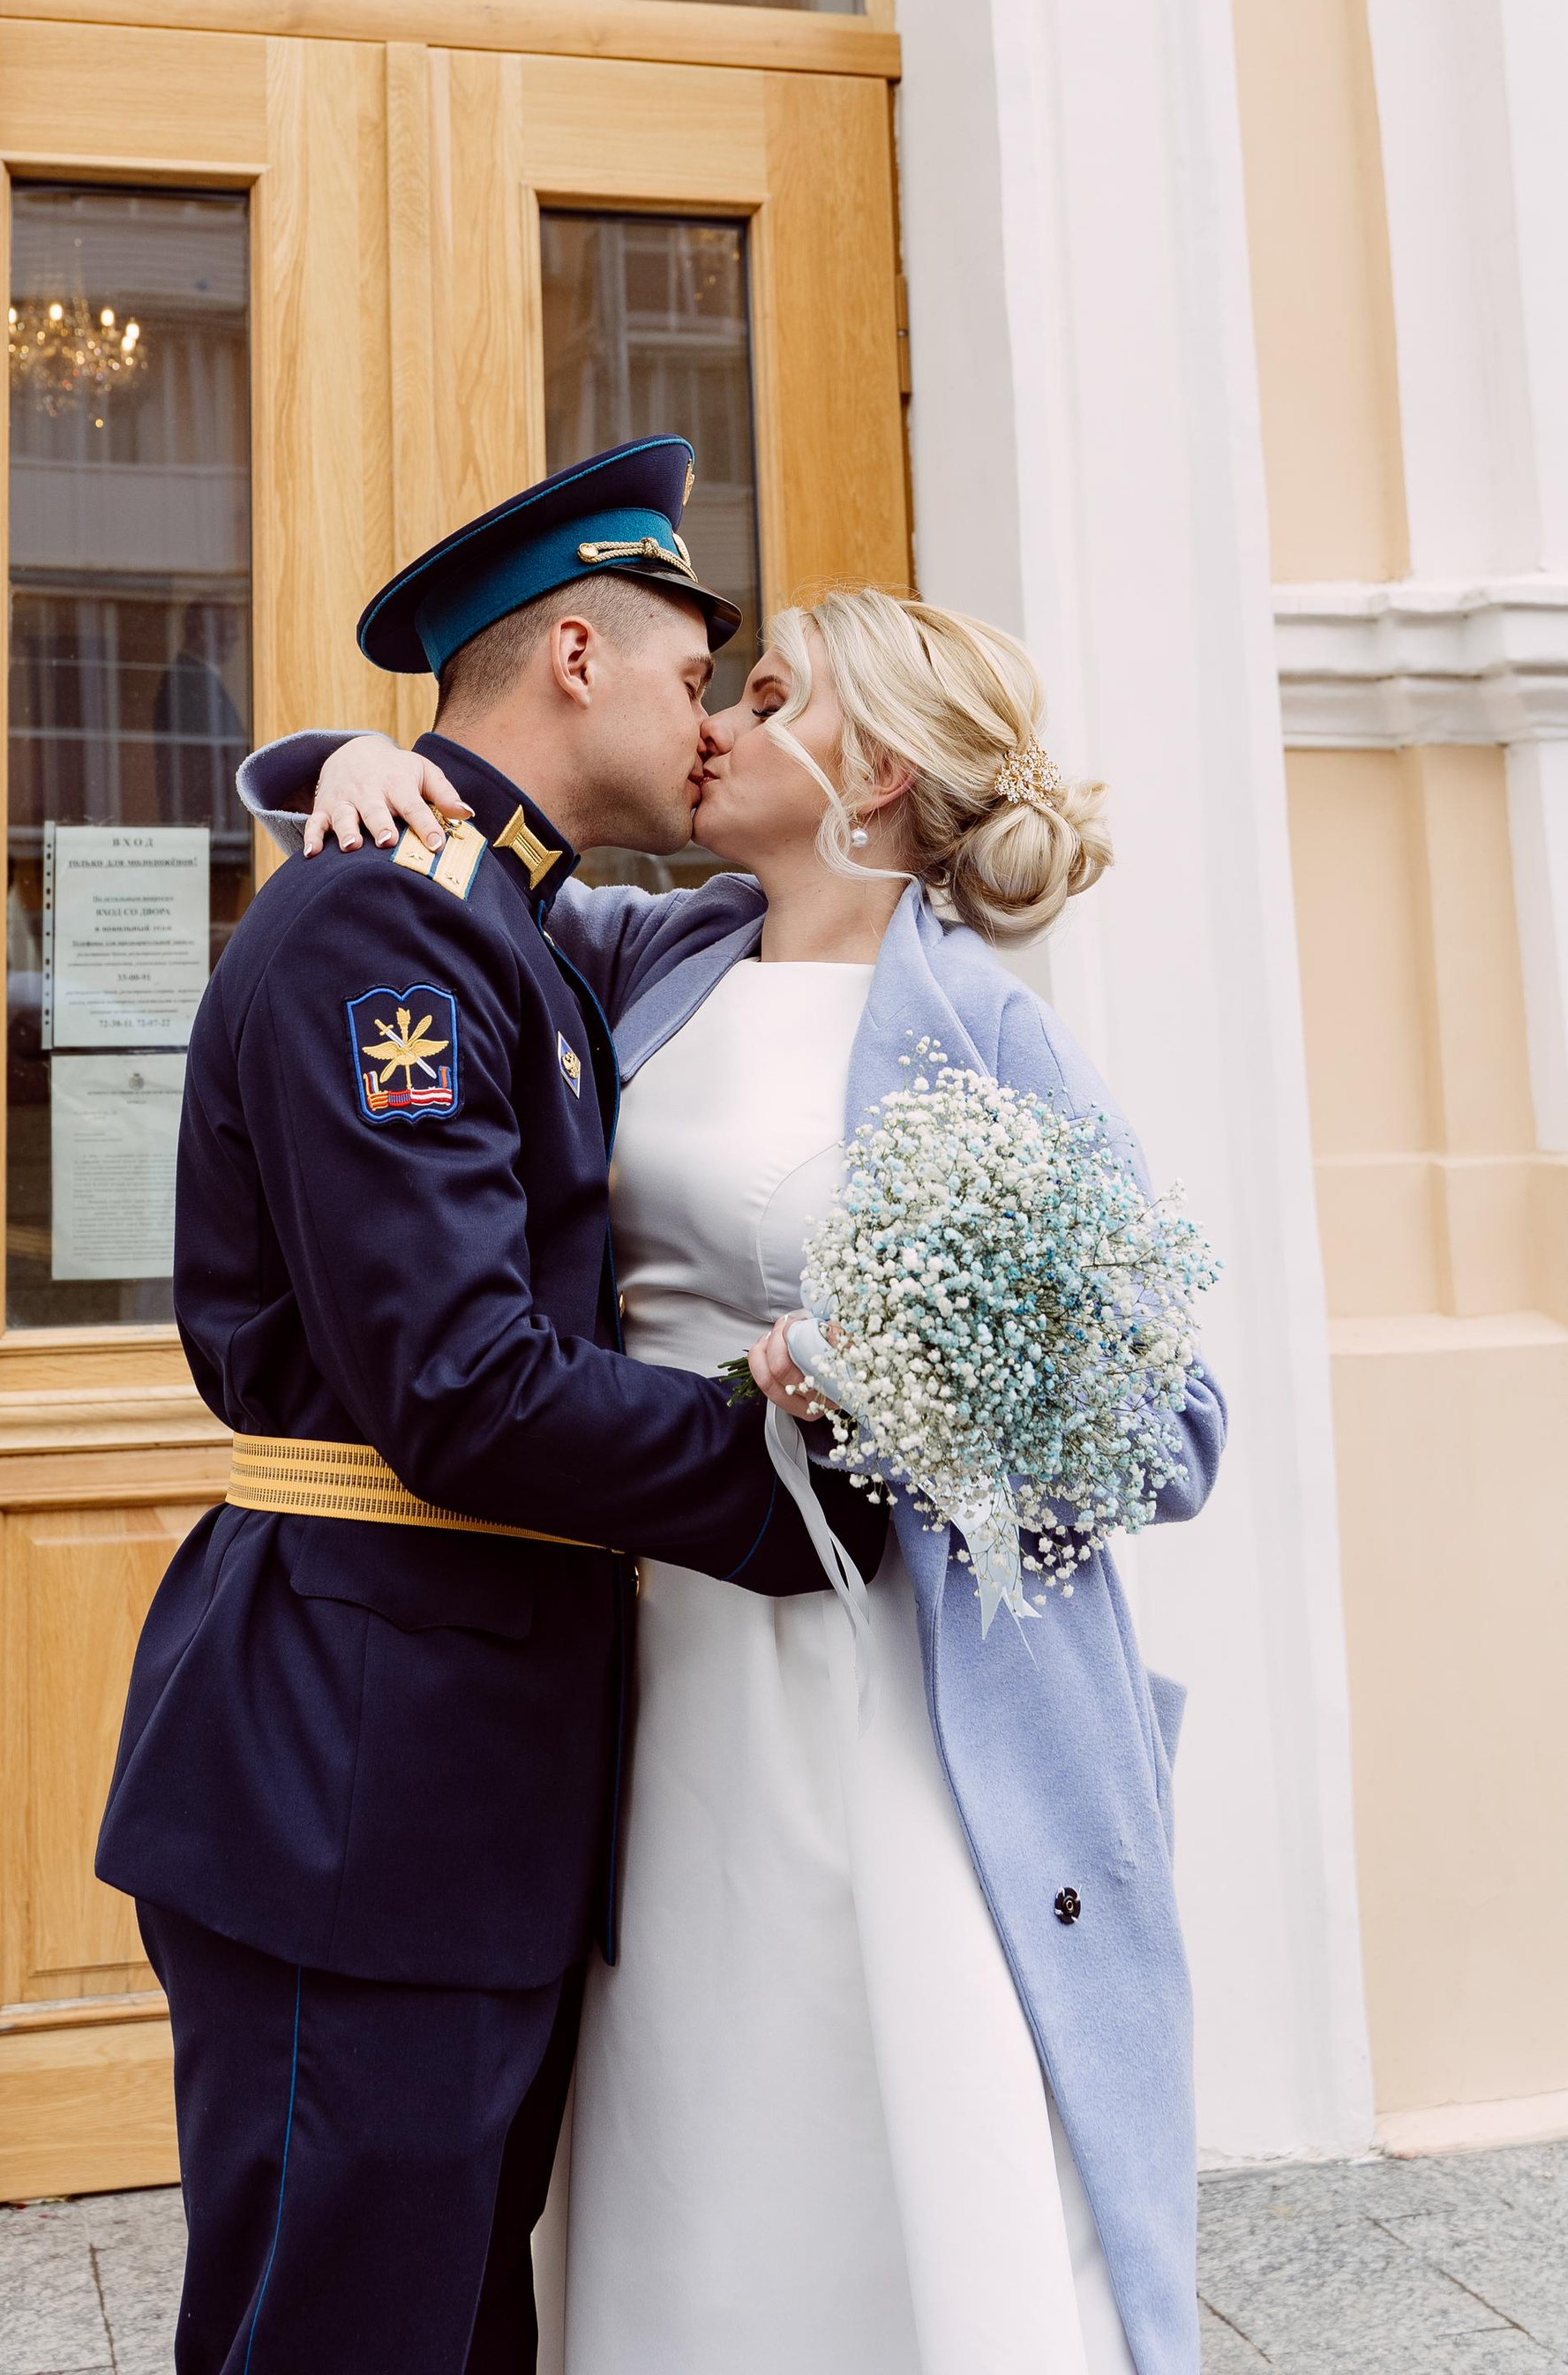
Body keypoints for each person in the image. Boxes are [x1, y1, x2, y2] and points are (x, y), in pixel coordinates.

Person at [246, 566, 1227, 2375]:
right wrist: (360, 757)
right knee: (690, 2103)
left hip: (868, 1675)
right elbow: (487, 891)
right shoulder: (659, 953)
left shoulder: (984, 1037)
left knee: (873, 2098)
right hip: (653, 1641)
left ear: (867, 774)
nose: (710, 725)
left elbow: (1170, 1432)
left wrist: (871, 1378)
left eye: (761, 696)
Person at [96, 439, 885, 2375]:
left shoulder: (501, 917)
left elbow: (791, 933)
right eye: (691, 672)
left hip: (452, 1771)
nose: (704, 719)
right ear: (573, 655)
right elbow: (455, 1385)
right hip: (356, 1763)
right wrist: (802, 1484)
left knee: (444, 2326)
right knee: (340, 2335)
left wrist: (313, 758)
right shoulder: (390, 930)